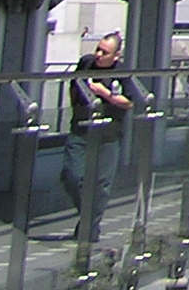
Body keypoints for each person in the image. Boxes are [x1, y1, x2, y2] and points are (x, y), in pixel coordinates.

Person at [61, 31, 136, 235]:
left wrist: (105, 94)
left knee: (101, 183)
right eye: (98, 49)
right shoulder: (86, 63)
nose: (99, 55)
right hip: (82, 129)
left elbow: (130, 101)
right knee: (71, 175)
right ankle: (87, 216)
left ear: (116, 56)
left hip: (108, 134)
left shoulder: (121, 72)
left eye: (105, 52)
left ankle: (89, 229)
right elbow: (74, 87)